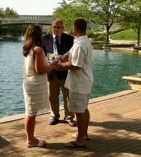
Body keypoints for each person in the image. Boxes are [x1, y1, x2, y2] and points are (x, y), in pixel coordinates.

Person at [59, 18, 93, 148]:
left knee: (80, 111)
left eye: (72, 27)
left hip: (79, 82)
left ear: (76, 28)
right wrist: (64, 56)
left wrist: (62, 65)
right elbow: (72, 53)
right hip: (85, 80)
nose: (71, 29)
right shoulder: (83, 41)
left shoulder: (80, 44)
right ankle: (83, 134)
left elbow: (76, 65)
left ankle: (80, 140)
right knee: (84, 109)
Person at [22, 24, 57, 148]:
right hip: (35, 85)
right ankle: (31, 140)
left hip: (28, 83)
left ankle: (30, 138)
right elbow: (40, 70)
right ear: (38, 34)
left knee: (29, 112)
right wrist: (53, 65)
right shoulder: (38, 49)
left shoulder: (27, 48)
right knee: (31, 113)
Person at [43, 19, 75, 126]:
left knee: (68, 97)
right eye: (54, 27)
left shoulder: (70, 39)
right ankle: (54, 116)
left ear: (63, 28)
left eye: (58, 27)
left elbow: (73, 55)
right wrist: (50, 60)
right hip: (52, 73)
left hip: (66, 72)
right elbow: (42, 55)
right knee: (52, 97)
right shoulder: (45, 38)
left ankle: (69, 117)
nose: (56, 29)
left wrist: (64, 62)